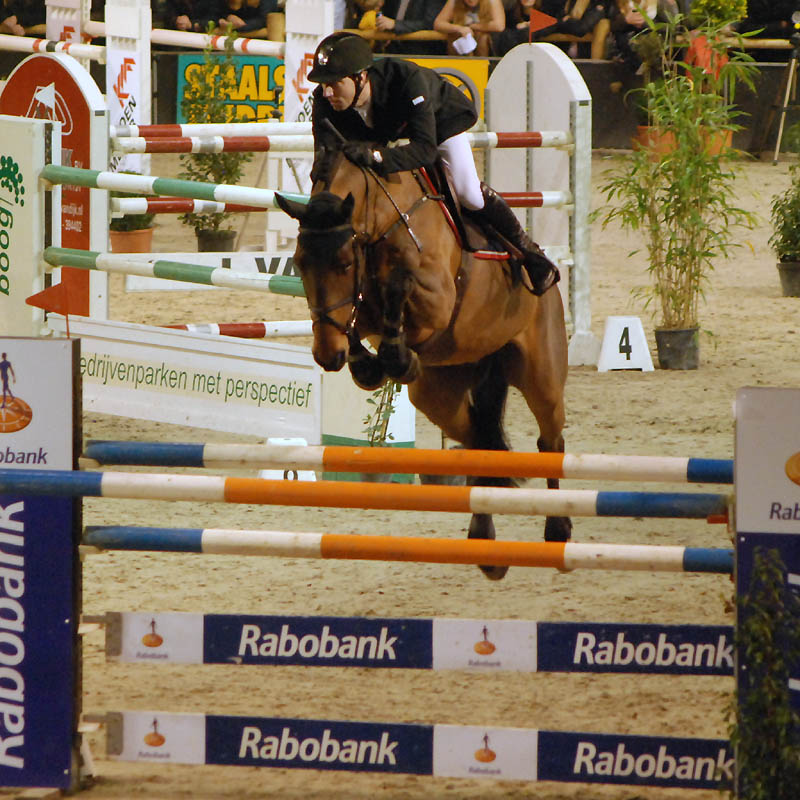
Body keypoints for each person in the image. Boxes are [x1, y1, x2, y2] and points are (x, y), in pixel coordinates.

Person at [307, 31, 559, 296]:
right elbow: (325, 161)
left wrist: (377, 157)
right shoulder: (324, 101)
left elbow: (425, 150)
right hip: (384, 132)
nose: (327, 92)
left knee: (468, 193)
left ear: (361, 77)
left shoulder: (407, 80)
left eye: (334, 83)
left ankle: (531, 253)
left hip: (438, 125)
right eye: (323, 84)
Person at [433, 0, 506, 55]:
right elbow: (438, 23)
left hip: (486, 42)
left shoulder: (492, 1)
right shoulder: (454, 2)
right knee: (455, 37)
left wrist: (472, 26)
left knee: (483, 38)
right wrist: (459, 28)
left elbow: (499, 26)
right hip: (461, 39)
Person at [375, 0, 447, 54]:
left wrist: (395, 25)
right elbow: (387, 17)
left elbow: (430, 23)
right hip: (392, 49)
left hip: (421, 52)